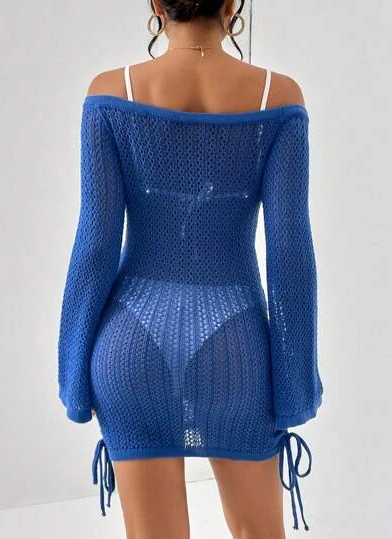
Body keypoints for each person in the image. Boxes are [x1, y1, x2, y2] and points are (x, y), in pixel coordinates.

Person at [57, 0, 324, 537]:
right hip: (237, 351)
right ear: (232, 4)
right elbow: (290, 255)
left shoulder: (110, 94)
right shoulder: (278, 97)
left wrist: (74, 379)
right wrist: (293, 388)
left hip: (129, 349)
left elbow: (94, 249)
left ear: (158, 5)